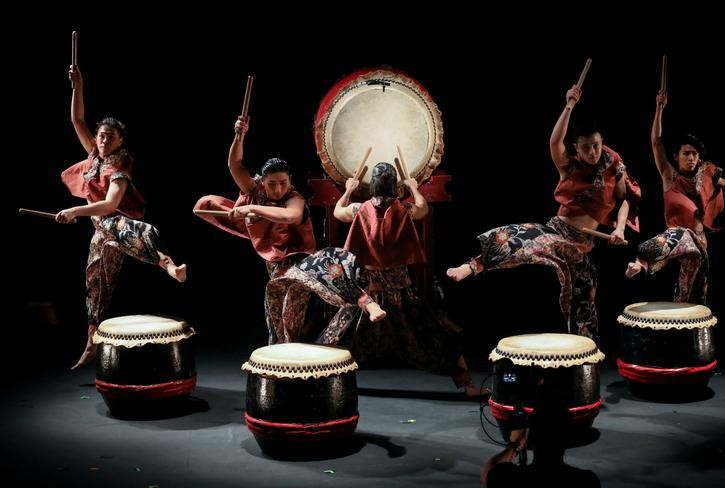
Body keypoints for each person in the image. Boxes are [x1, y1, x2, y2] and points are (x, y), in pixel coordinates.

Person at [268, 163, 487, 397]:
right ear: (394, 185)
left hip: (367, 291)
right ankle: (468, 386)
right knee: (435, 335)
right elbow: (423, 209)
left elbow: (337, 212)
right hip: (400, 291)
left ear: (372, 184)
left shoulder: (358, 208)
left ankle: (308, 383)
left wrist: (349, 189)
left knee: (335, 336)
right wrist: (413, 188)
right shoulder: (405, 209)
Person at [447, 84, 640, 339]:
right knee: (520, 237)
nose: (591, 152)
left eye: (595, 145)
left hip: (583, 245)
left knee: (585, 302)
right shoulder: (570, 167)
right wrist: (569, 105)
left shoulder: (614, 164)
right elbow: (554, 141)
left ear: (601, 140)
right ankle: (472, 266)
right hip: (558, 231)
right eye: (585, 148)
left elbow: (624, 199)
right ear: (576, 148)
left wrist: (618, 228)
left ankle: (584, 362)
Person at [57, 65, 186, 370]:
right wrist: (79, 84)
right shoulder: (93, 156)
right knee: (96, 284)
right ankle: (90, 341)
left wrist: (75, 210)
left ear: (119, 142)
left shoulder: (120, 166)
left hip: (117, 225)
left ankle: (170, 267)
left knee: (143, 229)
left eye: (109, 137)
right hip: (103, 235)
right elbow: (77, 118)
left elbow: (110, 205)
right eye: (100, 135)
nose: (102, 140)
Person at [625, 91, 725, 303]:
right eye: (686, 153)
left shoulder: (708, 172)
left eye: (694, 154)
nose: (692, 158)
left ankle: (691, 328)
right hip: (678, 237)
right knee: (678, 237)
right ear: (676, 156)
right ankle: (640, 263)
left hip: (699, 243)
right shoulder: (670, 175)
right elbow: (656, 142)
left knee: (692, 294)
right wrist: (659, 108)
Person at [193, 115, 317, 341]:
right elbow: (234, 164)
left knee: (291, 309)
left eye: (283, 183)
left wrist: (254, 209)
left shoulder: (295, 198)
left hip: (301, 262)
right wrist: (239, 135)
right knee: (273, 309)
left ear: (290, 181)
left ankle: (294, 351)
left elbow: (291, 216)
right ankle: (279, 353)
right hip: (274, 264)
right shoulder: (256, 191)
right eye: (272, 184)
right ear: (262, 182)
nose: (278, 189)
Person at [482, 370, 601, 488]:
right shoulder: (585, 483)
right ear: (566, 436)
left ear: (532, 434)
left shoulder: (511, 479)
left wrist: (515, 445)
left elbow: (487, 473)